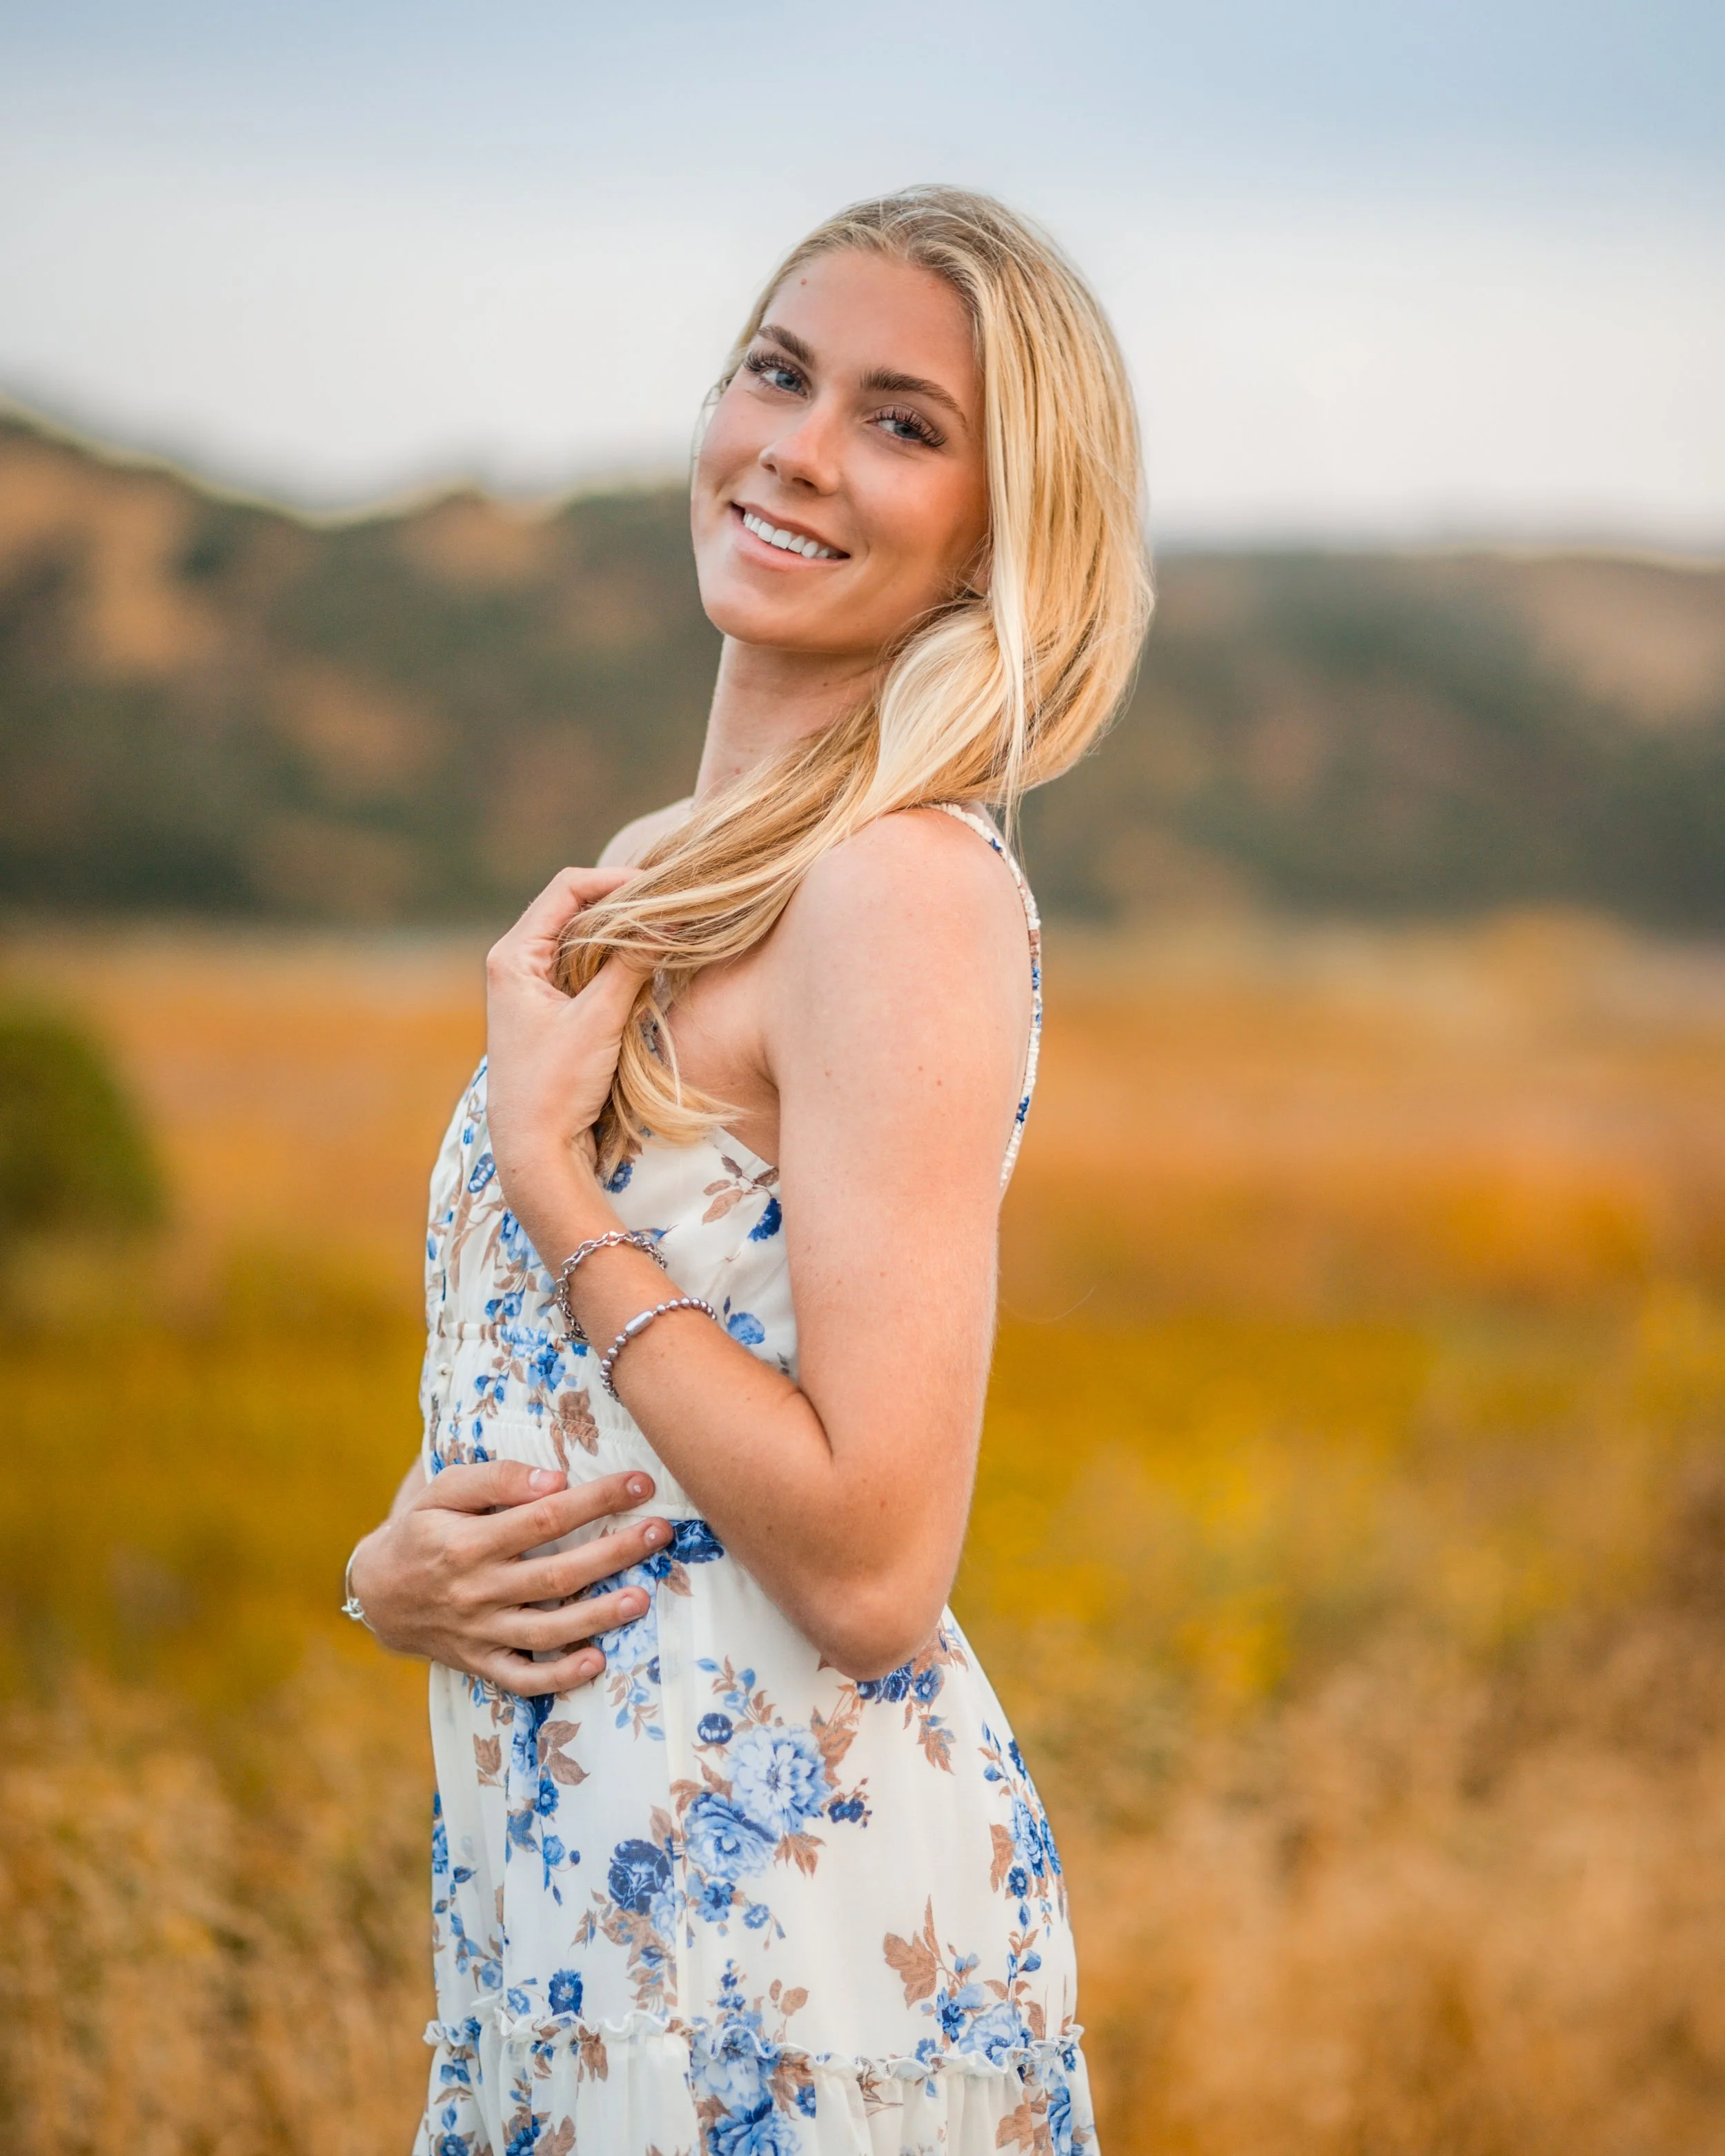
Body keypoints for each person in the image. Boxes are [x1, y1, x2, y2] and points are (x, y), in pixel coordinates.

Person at [346, 184, 1151, 2156]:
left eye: (900, 419)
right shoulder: (666, 861)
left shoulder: (901, 892)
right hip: (569, 1915)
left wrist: (554, 1175)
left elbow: (873, 1566)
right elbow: (580, 1402)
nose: (796, 449)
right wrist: (397, 1576)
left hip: (769, 1953)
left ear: (994, 528)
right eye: (777, 375)